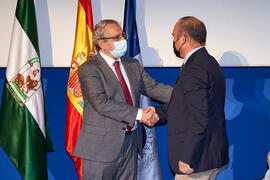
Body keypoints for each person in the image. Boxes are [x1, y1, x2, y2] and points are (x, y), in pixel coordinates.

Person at [73, 19, 172, 180]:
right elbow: (101, 103)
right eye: (117, 38)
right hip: (100, 148)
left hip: (130, 144)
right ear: (101, 43)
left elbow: (153, 88)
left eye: (123, 36)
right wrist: (140, 114)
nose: (123, 41)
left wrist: (186, 95)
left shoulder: (132, 64)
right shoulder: (89, 68)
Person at [155, 16, 229, 180]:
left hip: (196, 161)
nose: (174, 41)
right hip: (207, 155)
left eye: (174, 37)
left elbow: (199, 117)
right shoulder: (208, 62)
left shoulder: (195, 67)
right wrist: (157, 113)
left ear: (183, 38)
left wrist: (187, 156)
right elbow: (186, 105)